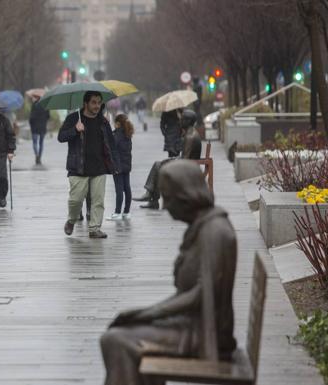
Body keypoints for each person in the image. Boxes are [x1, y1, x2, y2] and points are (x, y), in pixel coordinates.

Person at [100, 160, 237, 385]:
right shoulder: (204, 227)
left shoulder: (214, 232)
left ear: (186, 195)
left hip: (203, 334)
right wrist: (144, 313)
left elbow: (202, 294)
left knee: (115, 340)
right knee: (123, 331)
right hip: (192, 325)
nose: (164, 206)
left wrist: (149, 313)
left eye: (168, 198)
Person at [58, 91, 119, 239]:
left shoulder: (103, 121)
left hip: (99, 167)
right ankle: (71, 220)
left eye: (99, 102)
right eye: (93, 102)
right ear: (86, 103)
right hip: (78, 168)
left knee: (98, 200)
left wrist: (114, 164)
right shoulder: (74, 118)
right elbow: (61, 137)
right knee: (76, 200)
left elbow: (111, 144)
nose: (97, 106)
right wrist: (75, 130)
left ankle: (94, 228)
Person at [134, 109, 201, 209]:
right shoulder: (190, 133)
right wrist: (172, 159)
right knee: (158, 164)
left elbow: (185, 161)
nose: (180, 121)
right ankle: (151, 197)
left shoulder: (190, 137)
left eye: (182, 120)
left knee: (158, 166)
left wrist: (172, 161)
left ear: (188, 121)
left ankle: (151, 197)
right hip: (188, 164)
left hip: (188, 168)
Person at [107, 114, 133, 220]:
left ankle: (117, 213)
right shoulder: (127, 134)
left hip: (117, 165)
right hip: (126, 164)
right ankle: (126, 212)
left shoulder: (116, 135)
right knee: (127, 188)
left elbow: (110, 147)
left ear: (117, 123)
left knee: (119, 189)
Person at [29, 95, 50, 165]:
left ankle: (37, 154)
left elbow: (31, 117)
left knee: (35, 142)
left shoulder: (34, 105)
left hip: (34, 127)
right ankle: (39, 157)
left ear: (37, 98)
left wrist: (31, 124)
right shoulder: (45, 105)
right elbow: (48, 116)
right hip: (42, 127)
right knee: (41, 143)